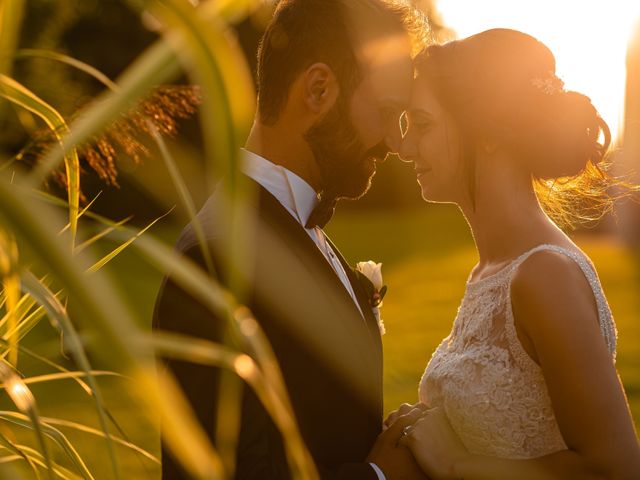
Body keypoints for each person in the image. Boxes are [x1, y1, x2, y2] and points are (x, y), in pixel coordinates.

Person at [153, 0, 429, 478]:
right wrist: (379, 476)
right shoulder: (216, 258)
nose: (397, 142)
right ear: (319, 89)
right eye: (387, 112)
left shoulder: (302, 228)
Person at [387, 28, 640, 479]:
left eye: (422, 125)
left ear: (487, 132)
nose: (405, 148)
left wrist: (453, 463)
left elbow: (614, 468)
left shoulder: (545, 275)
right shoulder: (490, 272)